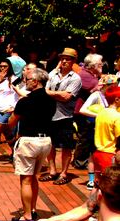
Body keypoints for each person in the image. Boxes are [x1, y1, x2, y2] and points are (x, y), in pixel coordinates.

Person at [6, 68, 56, 221]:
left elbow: (11, 122)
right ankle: (32, 209)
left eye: (27, 80)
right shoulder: (51, 100)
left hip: (29, 141)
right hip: (46, 141)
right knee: (34, 176)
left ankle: (27, 214)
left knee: (26, 179)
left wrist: (12, 112)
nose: (25, 82)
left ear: (35, 81)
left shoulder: (25, 101)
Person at [41, 48, 82, 185]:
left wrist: (49, 93)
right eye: (62, 58)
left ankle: (64, 173)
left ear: (73, 62)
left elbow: (66, 97)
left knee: (66, 146)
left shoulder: (75, 78)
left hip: (65, 116)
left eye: (68, 59)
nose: (64, 61)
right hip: (50, 115)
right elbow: (44, 90)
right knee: (49, 145)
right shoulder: (53, 74)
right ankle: (52, 170)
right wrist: (54, 93)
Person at [92, 85, 120, 175]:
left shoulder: (101, 113)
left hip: (98, 153)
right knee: (109, 184)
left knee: (98, 183)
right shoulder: (117, 116)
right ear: (116, 99)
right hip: (110, 154)